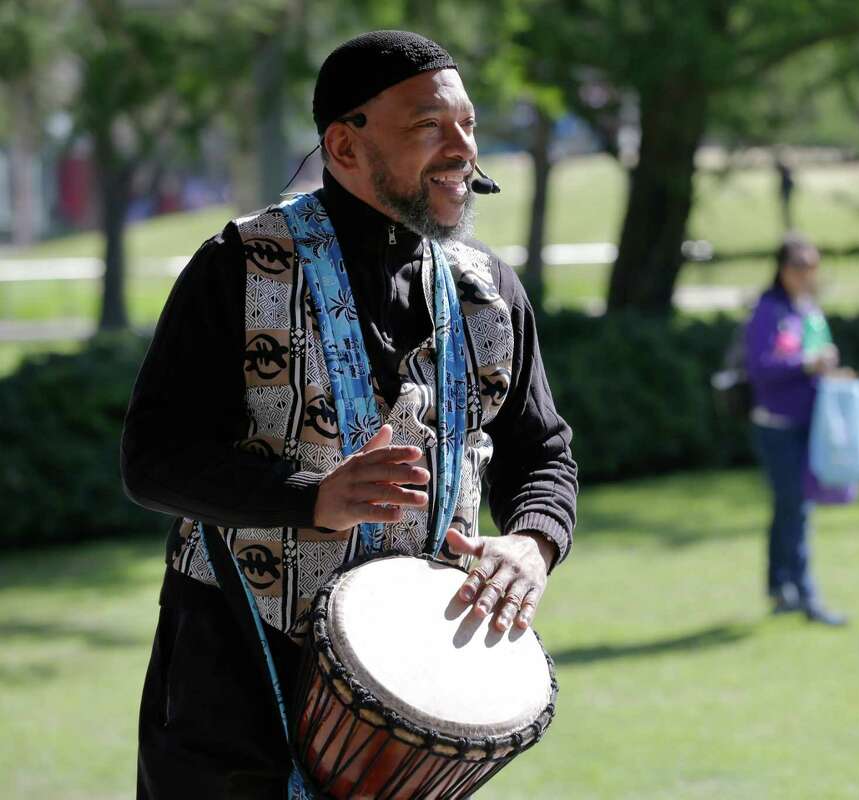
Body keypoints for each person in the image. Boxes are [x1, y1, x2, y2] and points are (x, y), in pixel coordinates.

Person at [121, 30, 578, 798]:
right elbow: (153, 459)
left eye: (467, 125)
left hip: (418, 687)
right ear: (344, 143)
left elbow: (541, 451)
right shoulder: (236, 265)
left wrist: (533, 543)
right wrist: (310, 497)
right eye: (429, 127)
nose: (462, 149)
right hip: (230, 677)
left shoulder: (489, 290)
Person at [744, 234, 848, 627]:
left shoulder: (807, 309)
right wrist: (806, 363)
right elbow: (762, 368)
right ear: (784, 269)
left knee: (788, 507)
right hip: (777, 426)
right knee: (797, 508)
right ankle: (807, 596)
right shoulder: (768, 311)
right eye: (801, 266)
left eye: (813, 266)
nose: (808, 274)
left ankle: (780, 587)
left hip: (809, 422)